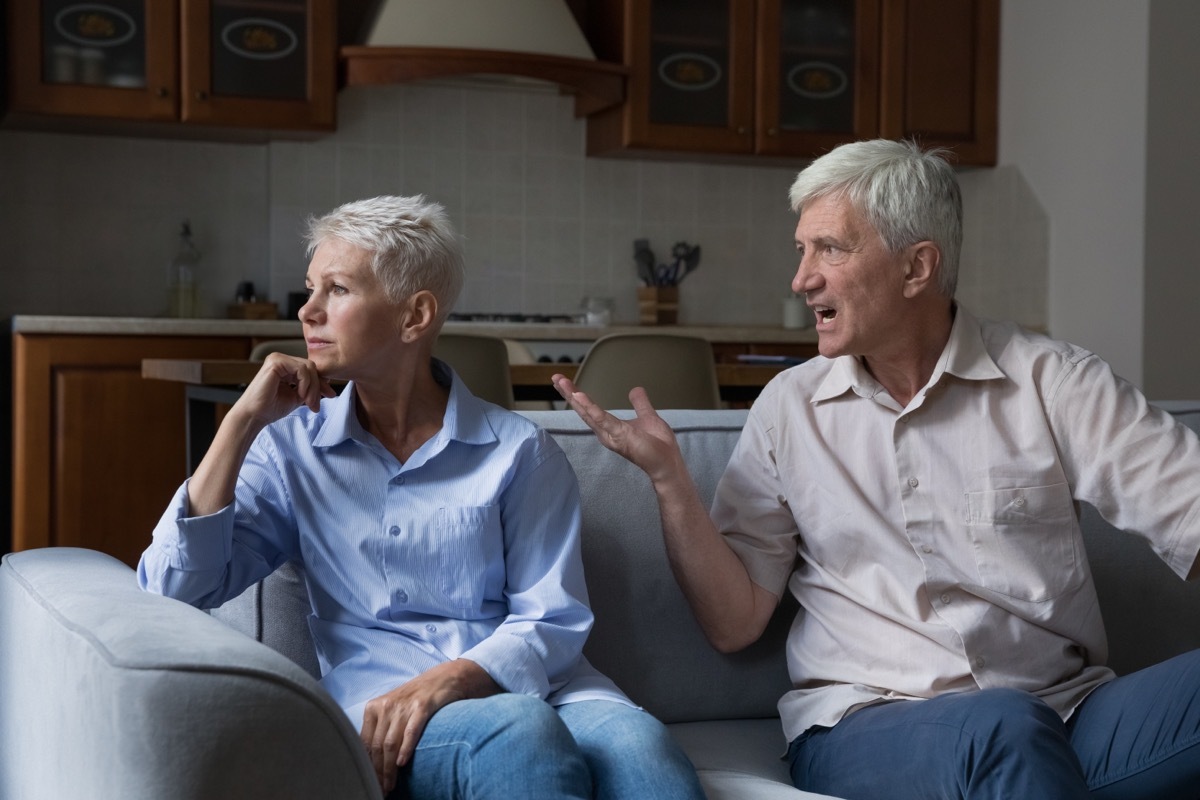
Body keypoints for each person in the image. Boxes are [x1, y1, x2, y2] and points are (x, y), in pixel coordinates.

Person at [552, 139, 1200, 799]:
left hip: (1067, 712)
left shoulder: (1052, 381)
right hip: (868, 725)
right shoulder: (789, 410)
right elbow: (735, 620)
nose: (802, 278)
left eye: (830, 248)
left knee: (1016, 727)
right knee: (1004, 728)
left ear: (917, 267)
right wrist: (669, 481)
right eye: (802, 250)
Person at [139, 195, 704, 800]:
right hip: (393, 709)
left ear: (415, 316)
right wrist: (240, 423)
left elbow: (552, 618)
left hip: (546, 687)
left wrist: (457, 677)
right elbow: (173, 590)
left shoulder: (518, 452)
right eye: (310, 289)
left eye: (337, 289)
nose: (308, 311)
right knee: (517, 732)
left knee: (647, 756)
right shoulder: (291, 452)